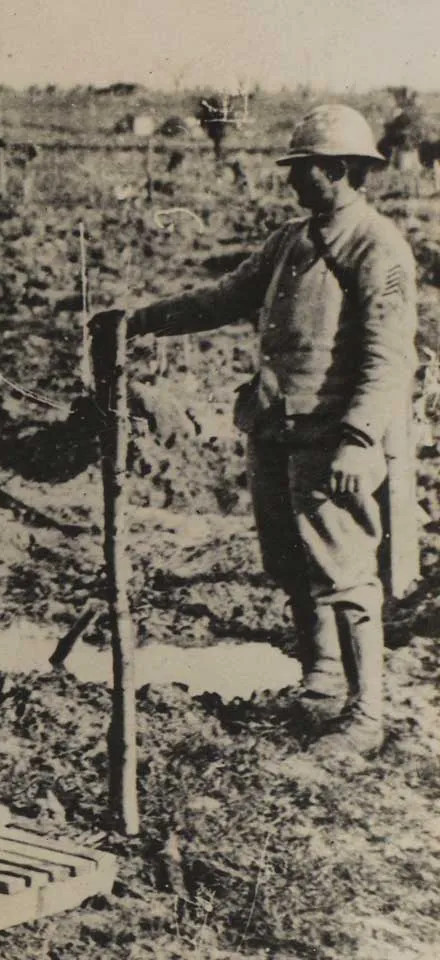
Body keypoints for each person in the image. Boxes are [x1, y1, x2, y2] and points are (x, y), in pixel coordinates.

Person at [96, 104, 419, 756]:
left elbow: (391, 358)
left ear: (338, 169)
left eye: (303, 169)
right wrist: (138, 320)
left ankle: (366, 715)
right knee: (290, 560)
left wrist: (359, 439)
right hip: (275, 427)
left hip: (333, 436)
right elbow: (225, 297)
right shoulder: (290, 241)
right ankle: (321, 680)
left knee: (345, 571)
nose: (292, 181)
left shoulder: (375, 246)